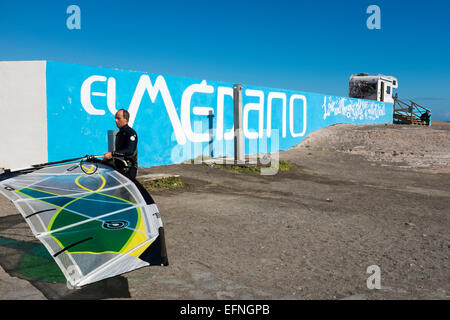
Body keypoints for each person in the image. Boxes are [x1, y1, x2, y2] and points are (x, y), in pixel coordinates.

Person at [103, 109, 138, 179]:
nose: (115, 120)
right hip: (120, 166)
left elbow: (130, 150)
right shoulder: (120, 133)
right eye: (115, 118)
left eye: (118, 118)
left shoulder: (130, 133)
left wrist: (112, 154)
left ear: (126, 119)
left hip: (129, 168)